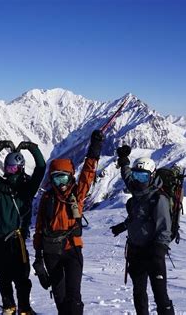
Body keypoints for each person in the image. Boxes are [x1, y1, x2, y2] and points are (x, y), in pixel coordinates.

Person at [33, 130, 104, 315]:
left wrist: (95, 149)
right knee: (59, 295)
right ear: (51, 179)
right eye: (57, 178)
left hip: (73, 249)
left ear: (71, 176)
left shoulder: (76, 194)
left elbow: (88, 175)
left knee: (73, 296)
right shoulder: (47, 198)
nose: (61, 183)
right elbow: (39, 227)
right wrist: (38, 255)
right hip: (51, 251)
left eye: (64, 177)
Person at [110, 145, 175, 315]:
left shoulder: (158, 199)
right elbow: (127, 176)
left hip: (153, 254)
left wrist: (159, 250)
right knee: (139, 294)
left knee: (160, 296)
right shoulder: (137, 189)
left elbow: (164, 228)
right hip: (135, 252)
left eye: (143, 176)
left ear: (151, 176)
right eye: (137, 175)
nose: (139, 180)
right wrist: (124, 161)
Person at [0, 140, 46, 315]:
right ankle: (11, 307)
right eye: (9, 169)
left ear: (22, 168)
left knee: (21, 278)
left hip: (14, 240)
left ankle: (22, 308)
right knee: (4, 276)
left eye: (15, 168)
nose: (12, 172)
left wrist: (32, 148)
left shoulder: (27, 189)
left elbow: (41, 167)